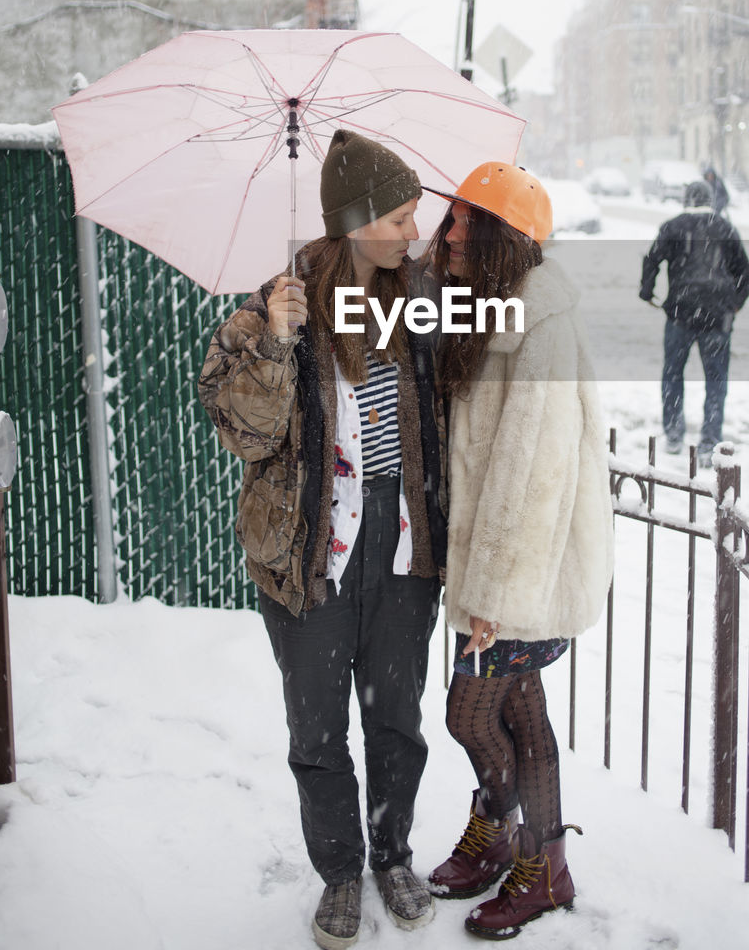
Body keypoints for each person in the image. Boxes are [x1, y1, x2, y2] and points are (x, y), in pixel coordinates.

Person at [198, 130, 446, 950]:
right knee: (317, 729)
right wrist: (275, 340)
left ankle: (393, 855)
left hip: (403, 546)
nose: (415, 231)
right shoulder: (274, 305)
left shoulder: (422, 297)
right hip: (310, 550)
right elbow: (247, 434)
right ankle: (340, 872)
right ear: (359, 219)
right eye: (403, 215)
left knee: (396, 720)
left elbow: (460, 409)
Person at [421, 162, 614, 940]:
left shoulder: (539, 324)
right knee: (521, 713)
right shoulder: (484, 307)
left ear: (509, 238)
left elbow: (530, 475)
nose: (452, 231)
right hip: (499, 571)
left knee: (469, 715)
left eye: (473, 221)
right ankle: (528, 855)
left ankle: (528, 855)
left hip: (521, 572)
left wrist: (493, 597)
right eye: (453, 217)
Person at [639, 178, 749, 467]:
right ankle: (709, 440)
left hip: (681, 312)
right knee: (716, 379)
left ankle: (674, 432)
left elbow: (652, 259)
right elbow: (744, 273)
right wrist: (734, 305)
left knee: (673, 373)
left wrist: (647, 290)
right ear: (711, 200)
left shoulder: (674, 226)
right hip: (718, 316)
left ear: (686, 199)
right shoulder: (725, 227)